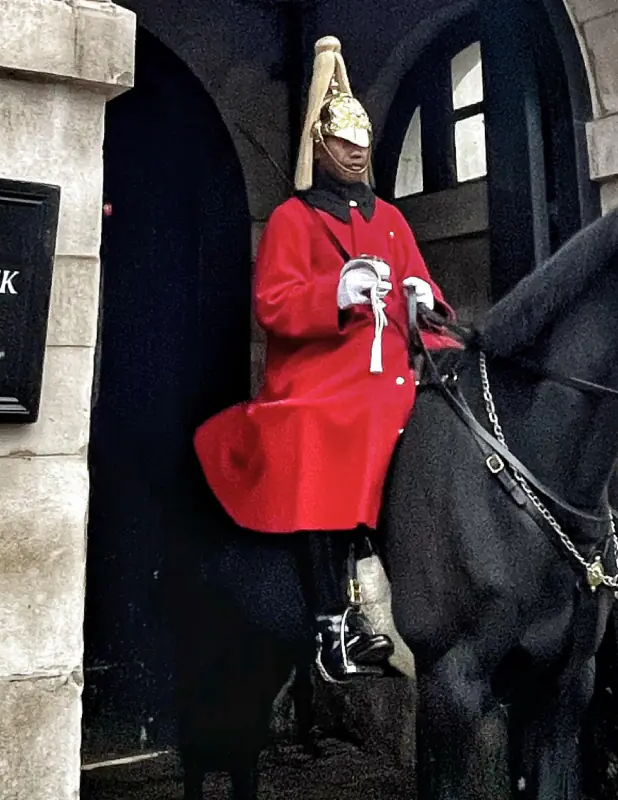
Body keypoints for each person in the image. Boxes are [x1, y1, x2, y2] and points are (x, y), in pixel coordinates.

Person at [194, 36, 458, 683]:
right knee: (313, 433)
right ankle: (329, 626)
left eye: (362, 140)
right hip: (318, 379)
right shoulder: (293, 219)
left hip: (387, 372)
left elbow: (424, 290)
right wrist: (335, 293)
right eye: (344, 141)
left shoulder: (390, 220)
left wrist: (425, 301)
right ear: (319, 146)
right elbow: (272, 303)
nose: (358, 150)